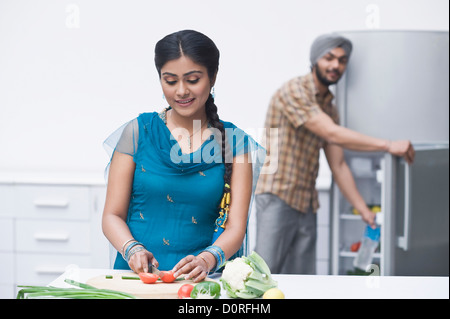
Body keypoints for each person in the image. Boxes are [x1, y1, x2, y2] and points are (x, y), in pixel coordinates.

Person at [102, 30, 264, 282]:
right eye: (170, 80)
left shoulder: (235, 142)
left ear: (213, 77)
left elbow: (235, 226)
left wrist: (207, 259)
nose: (181, 91)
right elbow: (112, 215)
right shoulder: (138, 132)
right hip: (137, 278)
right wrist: (132, 248)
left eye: (192, 79)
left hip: (201, 282)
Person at [254, 33, 415, 274]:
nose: (336, 65)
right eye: (329, 58)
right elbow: (332, 133)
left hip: (306, 202)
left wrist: (363, 210)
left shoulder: (329, 106)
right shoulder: (294, 90)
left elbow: (338, 165)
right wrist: (388, 145)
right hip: (278, 195)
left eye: (342, 60)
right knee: (262, 274)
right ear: (315, 60)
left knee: (301, 279)